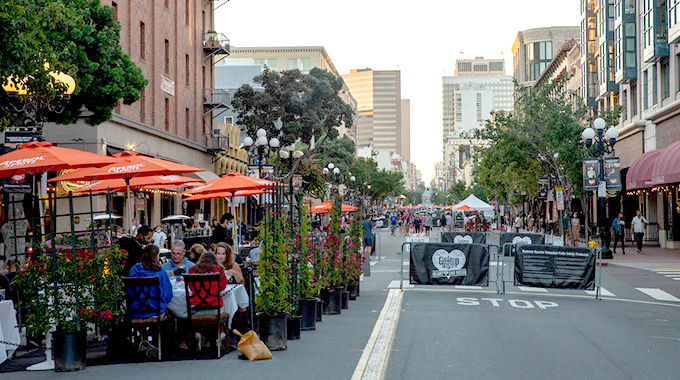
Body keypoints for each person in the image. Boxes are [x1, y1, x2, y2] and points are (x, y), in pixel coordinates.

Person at [127, 245, 173, 319]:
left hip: (135, 310)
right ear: (157, 255)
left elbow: (129, 292)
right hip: (155, 311)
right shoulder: (161, 272)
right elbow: (167, 296)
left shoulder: (134, 270)